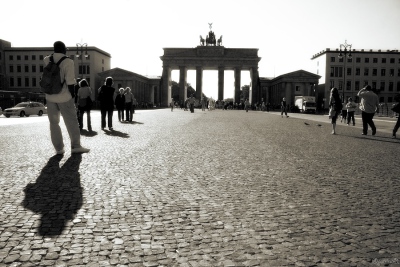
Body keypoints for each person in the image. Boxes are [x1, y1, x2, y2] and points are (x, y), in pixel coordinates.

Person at [44, 41, 89, 154]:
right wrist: (73, 96)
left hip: (50, 96)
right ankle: (76, 146)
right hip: (64, 96)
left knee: (54, 123)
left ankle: (59, 149)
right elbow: (70, 82)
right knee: (71, 121)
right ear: (63, 49)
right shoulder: (68, 61)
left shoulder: (46, 60)